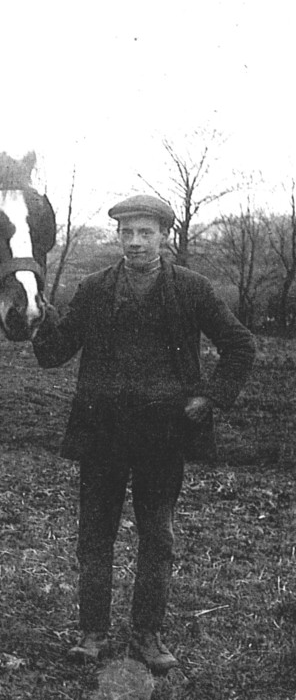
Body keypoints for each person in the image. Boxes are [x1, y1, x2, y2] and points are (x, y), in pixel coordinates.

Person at [33, 194, 255, 673]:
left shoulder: (193, 289)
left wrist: (211, 397)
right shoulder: (93, 288)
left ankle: (147, 638)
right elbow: (55, 353)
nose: (134, 242)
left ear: (164, 237)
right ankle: (92, 635)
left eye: (145, 233)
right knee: (95, 536)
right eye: (126, 233)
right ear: (118, 237)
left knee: (158, 538)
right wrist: (36, 320)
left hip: (162, 438)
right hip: (103, 437)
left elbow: (240, 344)